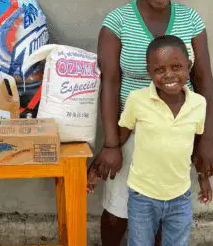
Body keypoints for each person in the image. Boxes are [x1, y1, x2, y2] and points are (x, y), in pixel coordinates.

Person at [89, 0, 213, 246]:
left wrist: (206, 140)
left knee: (166, 207)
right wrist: (111, 144)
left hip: (178, 130)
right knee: (119, 209)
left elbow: (205, 81)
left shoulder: (191, 20)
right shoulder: (117, 22)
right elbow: (110, 82)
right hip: (131, 129)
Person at [89, 35, 212, 245]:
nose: (169, 75)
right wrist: (100, 162)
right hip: (142, 197)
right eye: (159, 70)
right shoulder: (137, 100)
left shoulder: (199, 104)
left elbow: (193, 145)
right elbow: (123, 131)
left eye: (176, 67)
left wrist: (202, 177)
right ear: (149, 72)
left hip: (180, 197)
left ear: (189, 66)